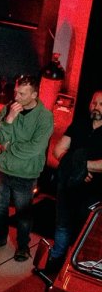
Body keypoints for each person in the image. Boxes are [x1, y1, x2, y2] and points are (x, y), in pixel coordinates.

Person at [0, 73, 54, 262]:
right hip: (2, 169)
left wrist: (10, 147)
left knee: (23, 213)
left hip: (25, 174)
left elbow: (34, 148)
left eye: (22, 94)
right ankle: (0, 239)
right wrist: (10, 118)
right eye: (16, 92)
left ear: (34, 95)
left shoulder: (45, 118)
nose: (17, 97)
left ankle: (23, 247)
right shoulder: (8, 109)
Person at [46, 89, 102, 273]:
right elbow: (57, 150)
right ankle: (54, 266)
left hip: (92, 194)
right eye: (94, 103)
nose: (96, 107)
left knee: (84, 234)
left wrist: (78, 166)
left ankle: (77, 271)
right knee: (62, 227)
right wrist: (77, 168)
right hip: (68, 188)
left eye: (101, 104)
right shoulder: (79, 124)